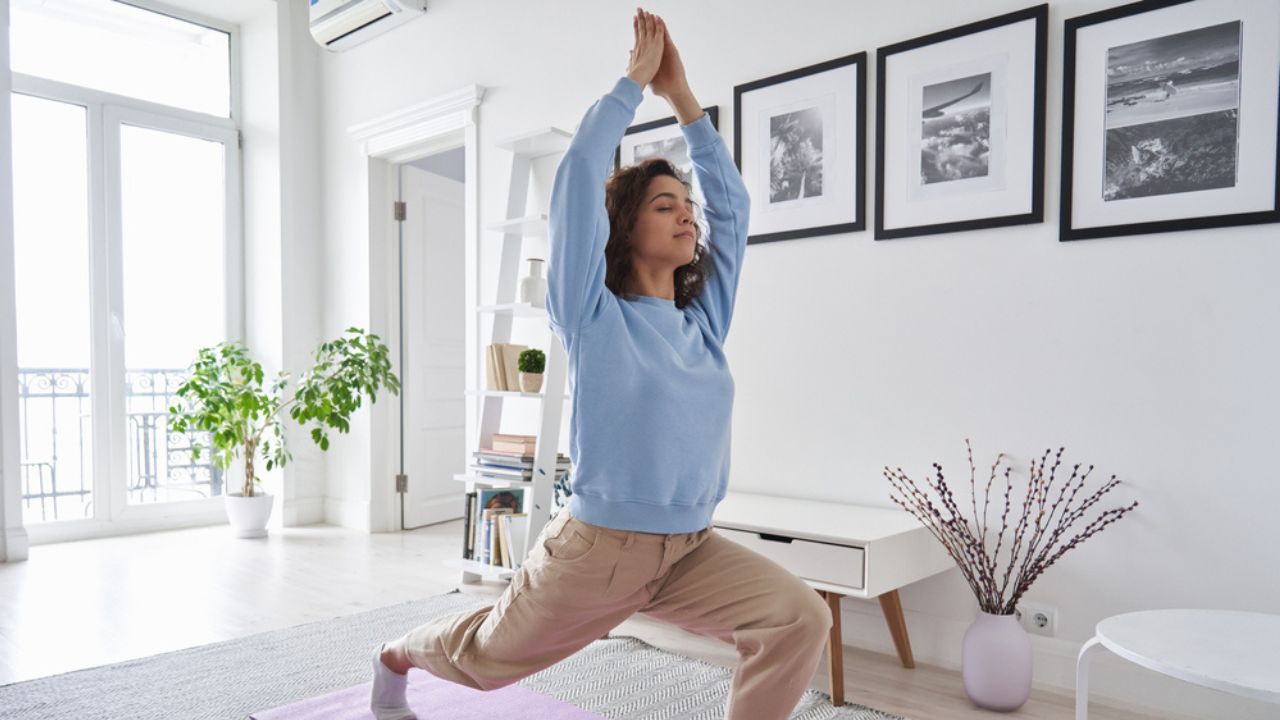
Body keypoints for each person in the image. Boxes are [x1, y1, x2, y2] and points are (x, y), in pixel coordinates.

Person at [370, 9, 832, 720]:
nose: (687, 216)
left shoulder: (702, 323)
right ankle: (397, 654)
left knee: (800, 616)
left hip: (691, 551)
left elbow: (733, 208)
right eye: (663, 206)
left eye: (687, 207)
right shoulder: (590, 313)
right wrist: (631, 88)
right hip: (596, 555)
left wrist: (684, 99)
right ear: (624, 230)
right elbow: (582, 172)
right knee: (485, 660)